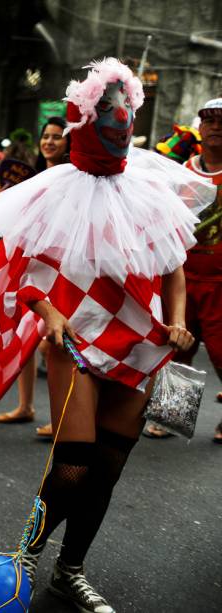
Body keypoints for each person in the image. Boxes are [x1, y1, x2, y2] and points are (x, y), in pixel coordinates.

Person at [0, 59, 215, 612]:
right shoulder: (53, 189)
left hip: (142, 342)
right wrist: (46, 312)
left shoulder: (150, 184)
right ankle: (23, 560)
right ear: (85, 120)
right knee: (72, 465)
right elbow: (27, 272)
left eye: (128, 109)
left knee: (109, 466)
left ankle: (71, 570)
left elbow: (173, 266)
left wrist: (180, 319)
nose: (122, 120)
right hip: (75, 342)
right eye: (110, 110)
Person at [0, 117, 71, 432]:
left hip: (61, 271)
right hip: (33, 269)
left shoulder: (73, 178)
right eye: (46, 136)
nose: (49, 142)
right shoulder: (34, 178)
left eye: (57, 137)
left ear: (69, 143)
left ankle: (64, 415)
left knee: (51, 344)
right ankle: (25, 406)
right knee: (22, 338)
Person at [174, 99, 222, 444]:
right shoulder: (181, 172)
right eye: (210, 119)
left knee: (221, 353)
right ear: (200, 128)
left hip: (221, 281)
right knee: (179, 346)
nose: (217, 126)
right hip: (183, 276)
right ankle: (173, 415)